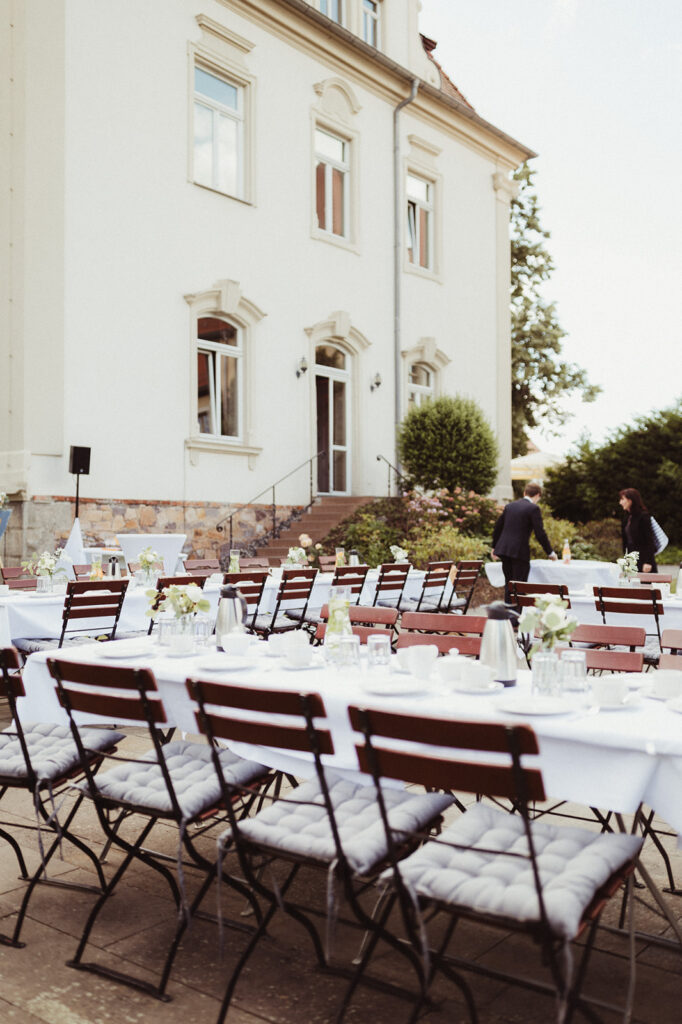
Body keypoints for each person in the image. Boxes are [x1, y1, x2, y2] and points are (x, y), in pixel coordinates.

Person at [491, 483, 557, 603]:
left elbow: (498, 527)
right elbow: (540, 533)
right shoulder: (533, 508)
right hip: (519, 552)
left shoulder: (510, 506)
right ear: (537, 495)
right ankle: (516, 617)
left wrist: (494, 547)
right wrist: (550, 552)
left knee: (509, 584)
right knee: (520, 586)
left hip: (504, 550)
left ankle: (509, 615)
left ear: (524, 493)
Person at [619, 488, 657, 573]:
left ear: (630, 500)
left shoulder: (643, 517)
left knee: (645, 585)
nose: (620, 502)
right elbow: (626, 542)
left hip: (644, 560)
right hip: (631, 559)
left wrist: (648, 562)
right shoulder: (626, 519)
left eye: (622, 499)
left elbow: (649, 541)